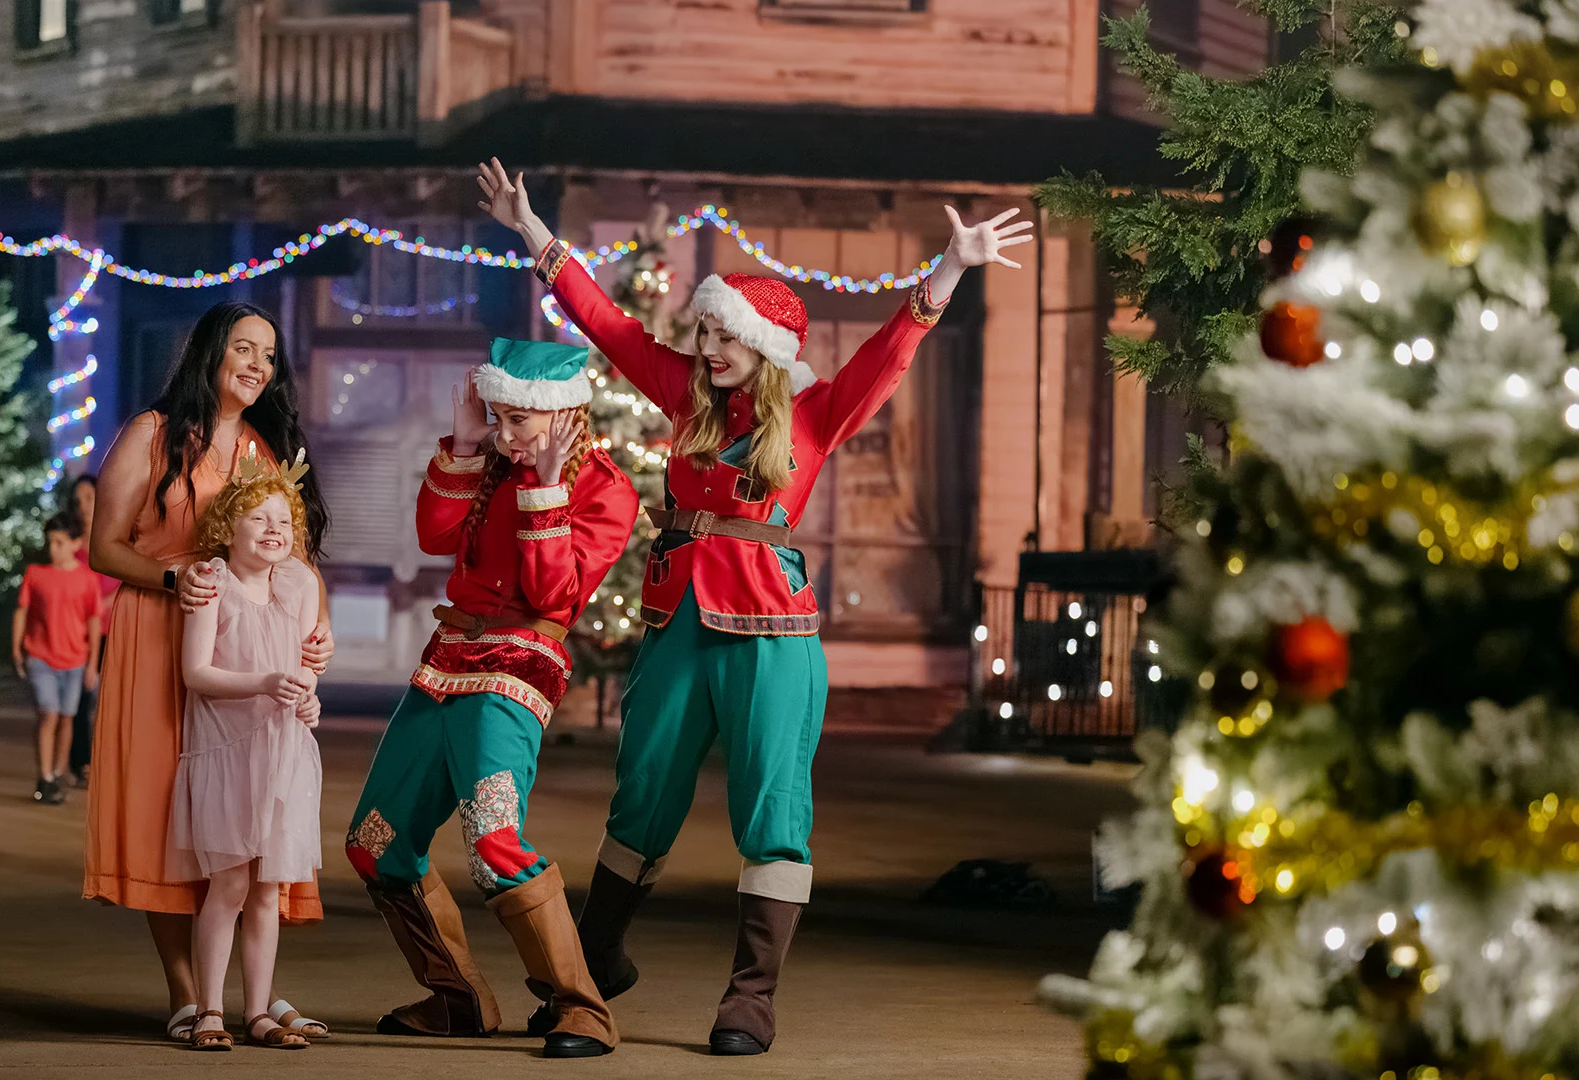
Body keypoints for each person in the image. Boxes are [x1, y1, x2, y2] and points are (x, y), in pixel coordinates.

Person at [478, 158, 1035, 1054]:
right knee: (642, 800)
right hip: (676, 630)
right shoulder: (684, 402)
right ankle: (596, 966)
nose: (707, 348)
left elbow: (892, 351)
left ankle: (751, 996)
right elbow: (609, 324)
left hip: (773, 635)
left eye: (723, 335)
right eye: (703, 332)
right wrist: (531, 229)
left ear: (764, 349)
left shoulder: (814, 414)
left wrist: (951, 268)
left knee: (773, 810)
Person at [344, 340, 638, 1058]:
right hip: (445, 664)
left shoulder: (606, 489)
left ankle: (581, 1009)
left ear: (566, 416)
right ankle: (458, 999)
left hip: (516, 668)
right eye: (497, 419)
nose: (506, 437)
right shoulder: (492, 464)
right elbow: (434, 534)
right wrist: (466, 447)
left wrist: (543, 482)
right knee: (373, 845)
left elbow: (553, 595)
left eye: (518, 423)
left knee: (494, 841)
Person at [84, 300, 336, 1044]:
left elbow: (296, 555)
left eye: (268, 354)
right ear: (209, 354)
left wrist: (316, 628)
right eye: (244, 349)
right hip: (158, 636)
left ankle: (254, 993)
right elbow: (105, 545)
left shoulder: (265, 450)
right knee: (169, 811)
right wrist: (172, 581)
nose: (258, 365)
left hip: (249, 649)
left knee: (245, 813)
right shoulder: (153, 435)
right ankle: (191, 996)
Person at [170, 456, 324, 1051]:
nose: (272, 528)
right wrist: (262, 682)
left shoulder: (299, 585)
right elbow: (196, 672)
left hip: (283, 749)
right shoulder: (215, 583)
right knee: (229, 884)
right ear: (228, 529)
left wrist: (308, 701)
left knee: (268, 890)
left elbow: (305, 669)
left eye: (282, 519)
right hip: (227, 749)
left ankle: (258, 1010)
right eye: (257, 517)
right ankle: (210, 1008)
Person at [13, 514, 103, 806]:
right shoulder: (35, 574)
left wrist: (92, 663)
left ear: (76, 543)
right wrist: (17, 648)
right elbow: (22, 611)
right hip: (42, 656)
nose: (53, 548)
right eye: (50, 541)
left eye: (60, 542)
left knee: (67, 717)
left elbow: (93, 620)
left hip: (75, 659)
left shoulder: (88, 579)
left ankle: (59, 771)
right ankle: (44, 775)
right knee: (48, 714)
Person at [65, 474, 116, 788]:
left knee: (111, 700)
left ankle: (108, 762)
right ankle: (80, 761)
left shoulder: (114, 537)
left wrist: (104, 602)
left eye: (89, 497)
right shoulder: (68, 546)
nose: (84, 506)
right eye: (78, 500)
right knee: (80, 700)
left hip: (112, 630)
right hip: (79, 634)